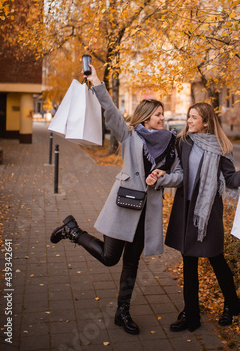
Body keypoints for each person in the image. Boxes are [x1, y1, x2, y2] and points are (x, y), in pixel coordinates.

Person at [50, 64, 183, 335]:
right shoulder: (130, 136)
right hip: (124, 205)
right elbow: (110, 111)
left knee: (131, 264)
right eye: (158, 114)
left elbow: (179, 175)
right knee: (110, 258)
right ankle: (72, 230)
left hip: (147, 213)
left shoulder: (172, 143)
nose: (162, 118)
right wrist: (97, 81)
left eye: (163, 114)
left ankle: (122, 312)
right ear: (146, 117)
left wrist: (161, 178)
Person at [165, 102, 240, 332]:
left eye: (194, 118)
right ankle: (191, 315)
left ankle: (232, 305)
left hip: (208, 211)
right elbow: (176, 170)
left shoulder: (221, 147)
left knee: (217, 259)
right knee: (188, 262)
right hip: (186, 209)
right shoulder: (183, 141)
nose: (189, 121)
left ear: (206, 121)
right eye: (188, 116)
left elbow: (231, 180)